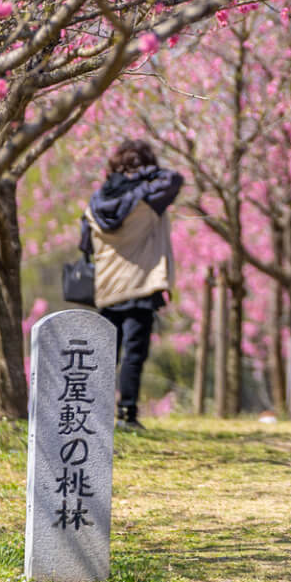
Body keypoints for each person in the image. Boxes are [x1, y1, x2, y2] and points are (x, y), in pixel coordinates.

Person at [78, 138, 184, 429]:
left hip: (108, 287)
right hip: (141, 284)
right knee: (133, 354)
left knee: (106, 353)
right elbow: (175, 179)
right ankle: (127, 413)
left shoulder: (95, 204)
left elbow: (85, 244)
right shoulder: (149, 199)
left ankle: (95, 412)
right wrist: (147, 174)